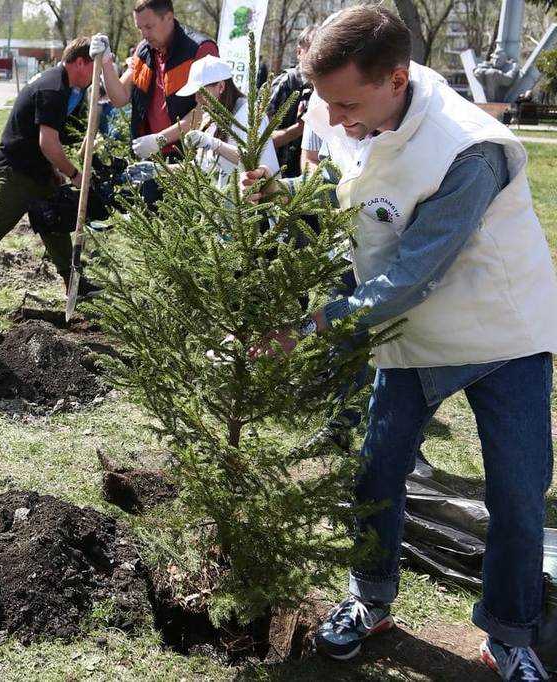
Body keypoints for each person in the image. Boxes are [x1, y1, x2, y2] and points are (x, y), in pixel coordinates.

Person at [242, 7, 557, 679]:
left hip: (505, 330)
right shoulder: (372, 113)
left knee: (518, 492)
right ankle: (370, 599)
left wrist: (309, 327)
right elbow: (362, 194)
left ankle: (509, 635)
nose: (336, 119)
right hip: (415, 333)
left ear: (394, 77)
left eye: (346, 103)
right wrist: (284, 188)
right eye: (327, 104)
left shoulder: (466, 148)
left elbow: (413, 274)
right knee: (378, 470)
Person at [0, 37, 103, 313]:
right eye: (95, 69)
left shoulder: (60, 83)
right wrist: (73, 174)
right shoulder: (54, 88)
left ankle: (74, 283)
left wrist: (54, 170)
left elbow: (44, 143)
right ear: (81, 62)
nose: (95, 78)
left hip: (36, 169)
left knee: (54, 225)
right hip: (17, 170)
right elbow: (48, 142)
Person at [88, 0, 218, 161]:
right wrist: (106, 63)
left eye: (149, 27)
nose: (144, 34)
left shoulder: (200, 49)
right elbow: (119, 98)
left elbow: (206, 110)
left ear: (169, 17)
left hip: (188, 155)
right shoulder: (143, 51)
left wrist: (160, 139)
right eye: (140, 28)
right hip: (149, 154)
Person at [178, 55, 278, 185]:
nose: (197, 99)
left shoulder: (248, 114)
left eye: (201, 92)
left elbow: (252, 160)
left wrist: (214, 143)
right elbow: (204, 166)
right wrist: (160, 169)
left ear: (221, 86)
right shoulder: (212, 117)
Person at [266, 25, 317, 178]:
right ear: (299, 52)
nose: (316, 57)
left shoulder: (326, 89)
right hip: (275, 179)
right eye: (311, 50)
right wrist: (300, 128)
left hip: (307, 184)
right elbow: (259, 141)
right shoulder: (285, 83)